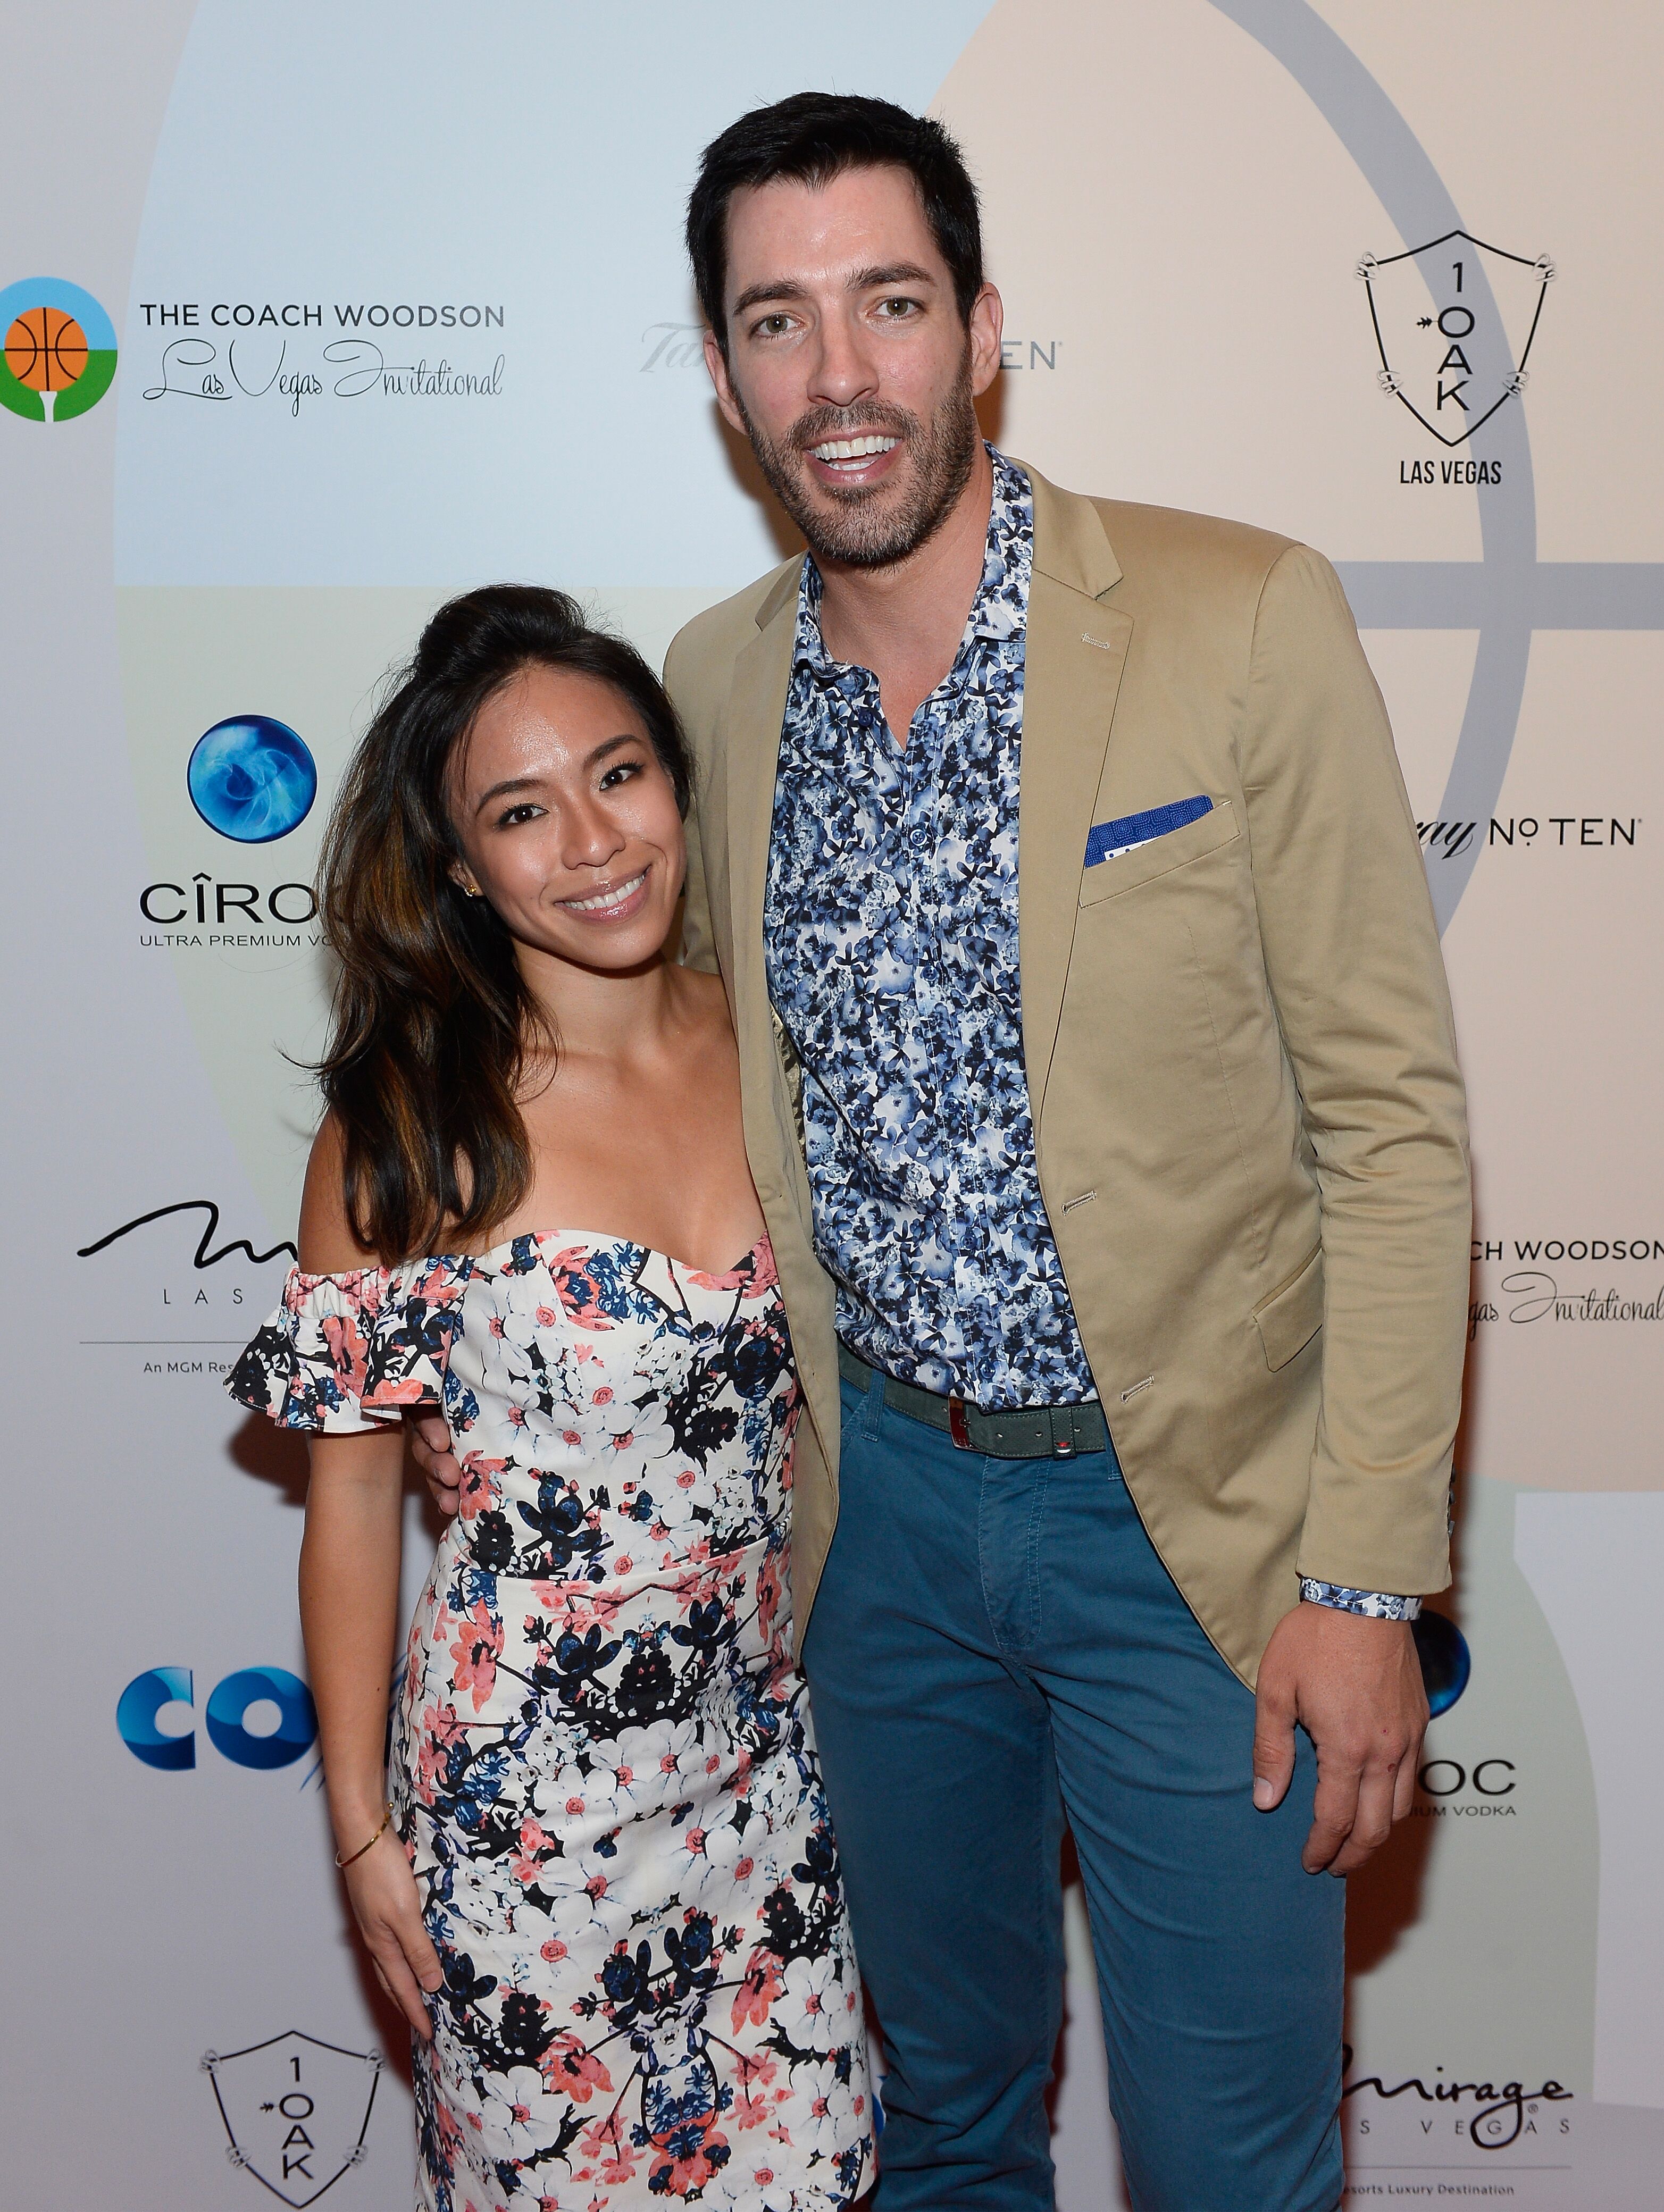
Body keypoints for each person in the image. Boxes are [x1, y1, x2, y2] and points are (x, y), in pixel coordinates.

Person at [414, 95, 1471, 2212]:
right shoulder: (703, 694)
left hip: (1194, 1527)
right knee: (944, 2117)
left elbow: (1392, 1123)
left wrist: (1366, 1569)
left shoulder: (1237, 615)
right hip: (870, 1518)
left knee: (1232, 2156)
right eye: (779, 323)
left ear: (981, 329)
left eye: (888, 305)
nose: (841, 375)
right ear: (725, 382)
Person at [227, 585, 872, 2212]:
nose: (592, 840)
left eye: (619, 773)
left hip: (772, 1783)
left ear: (677, 779)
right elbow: (355, 1501)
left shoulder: (782, 1044)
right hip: (527, 1825)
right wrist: (365, 1833)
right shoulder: (410, 1127)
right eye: (522, 811)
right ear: (460, 863)